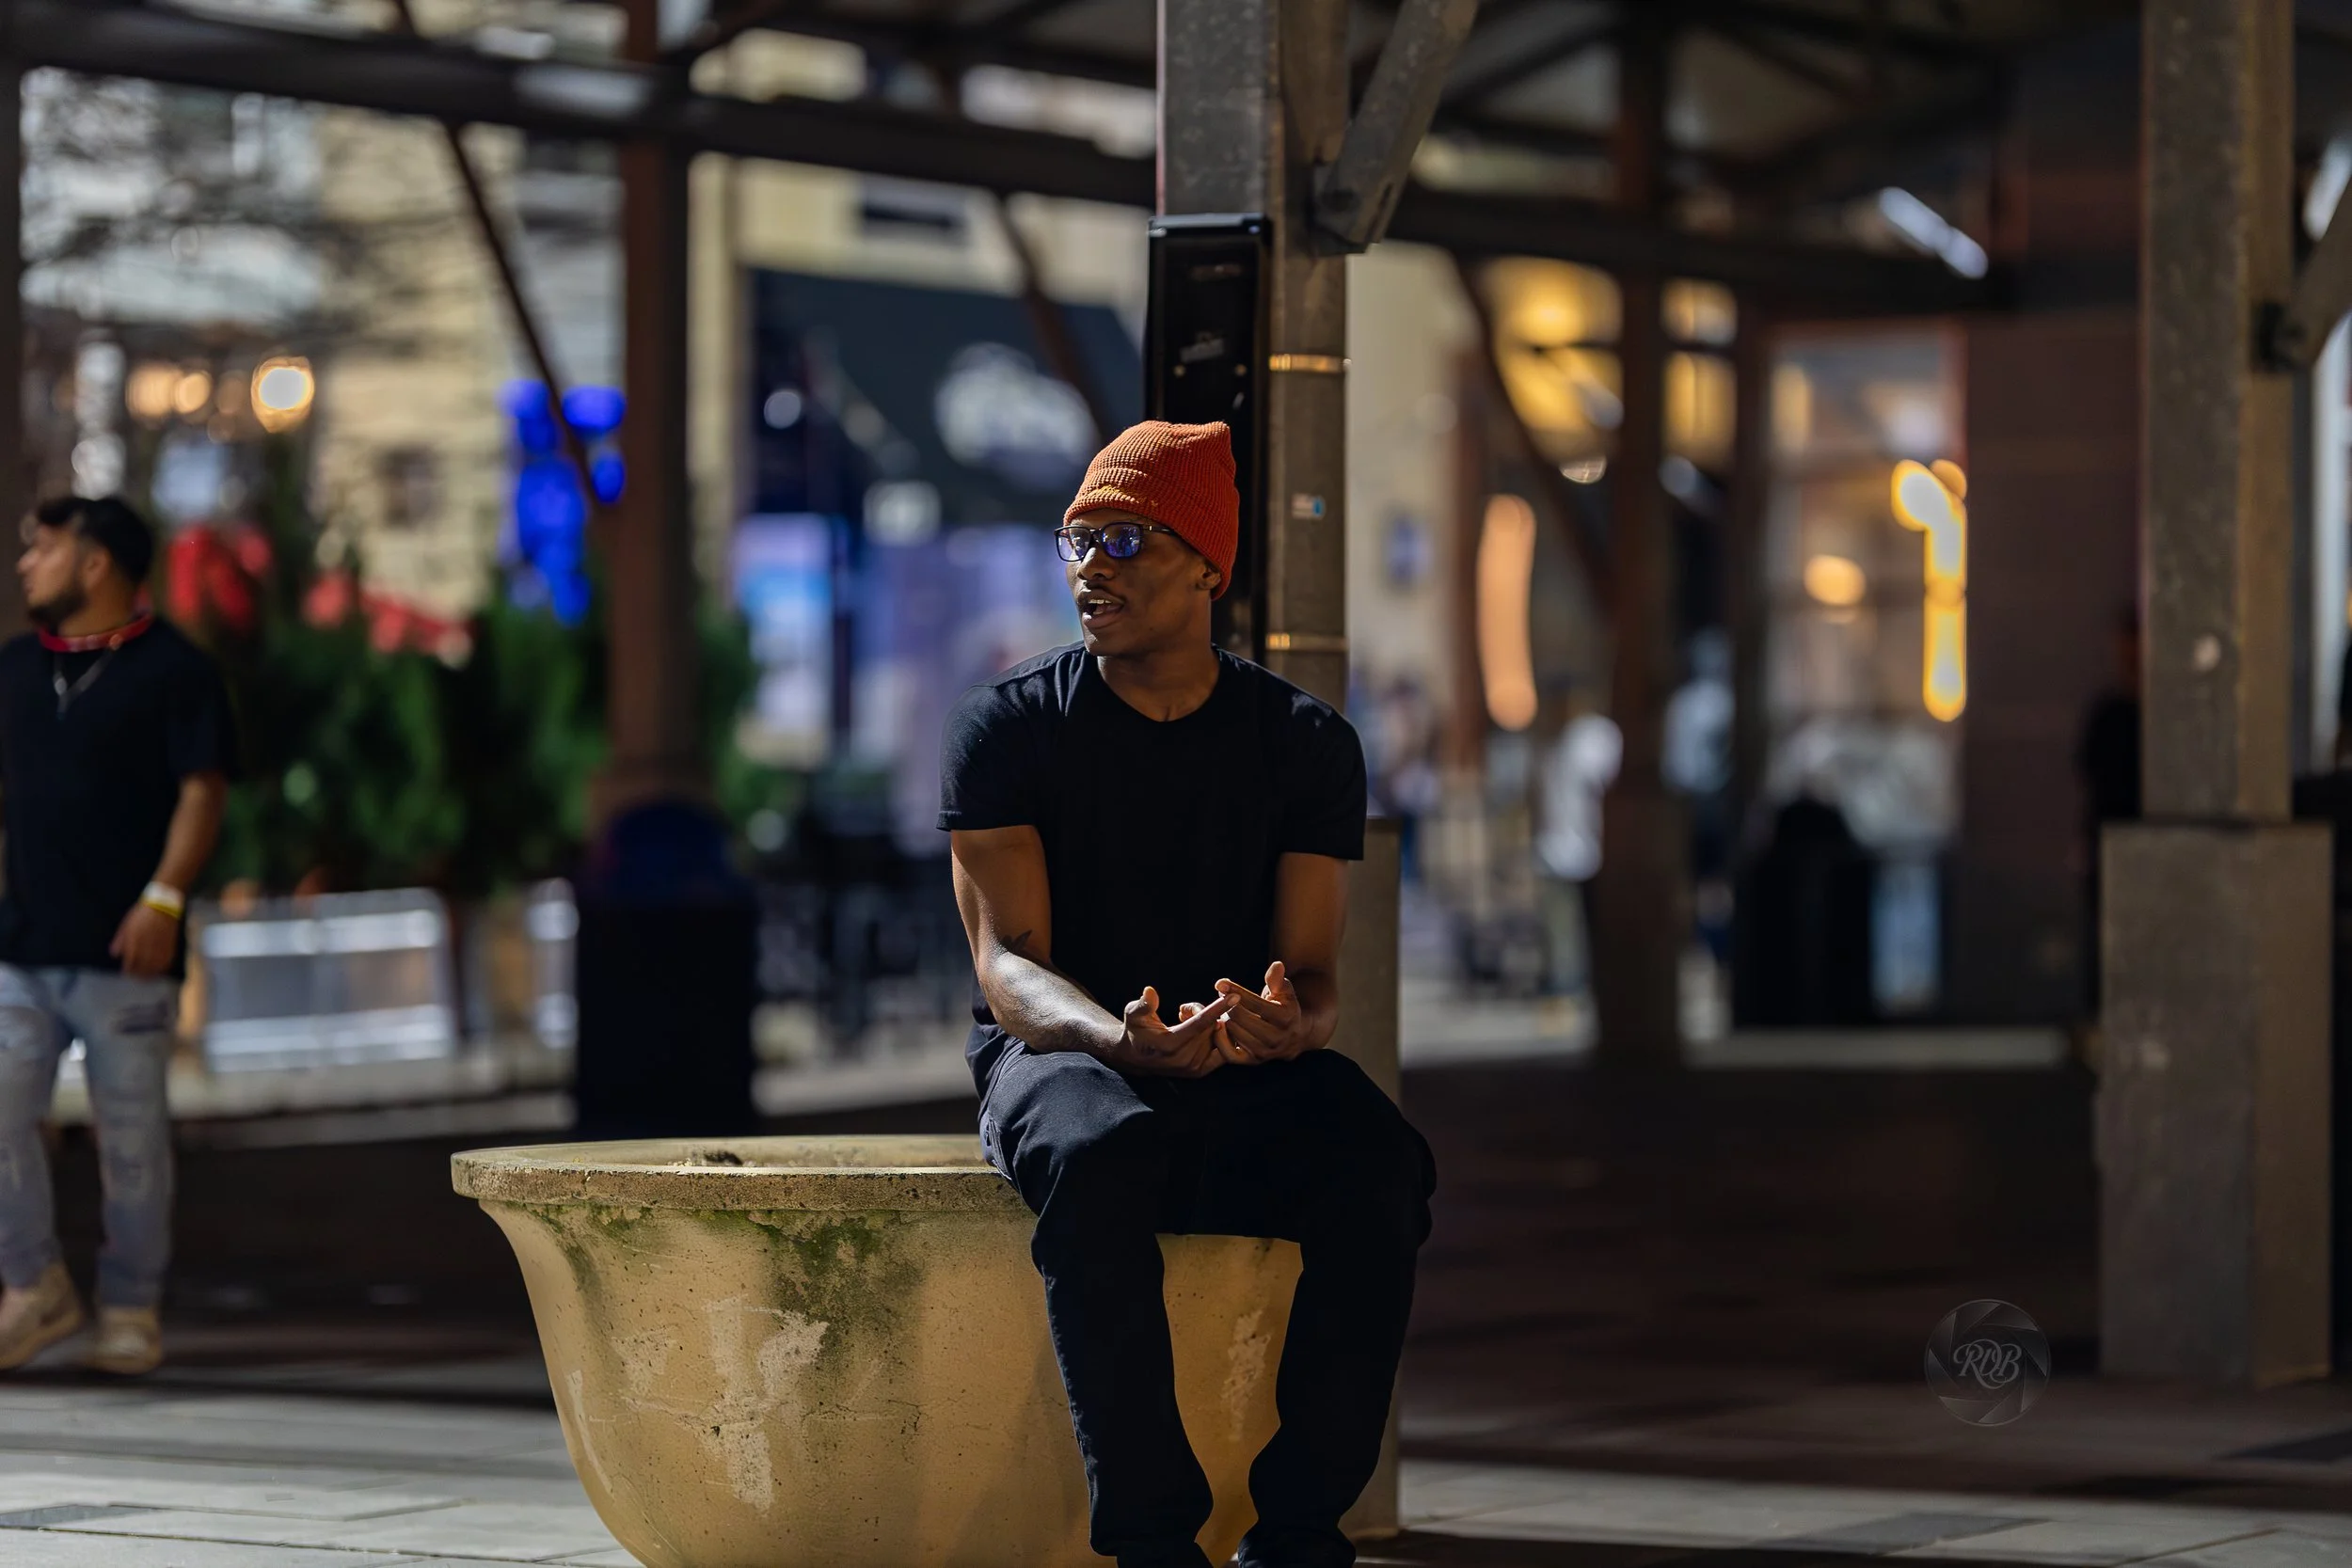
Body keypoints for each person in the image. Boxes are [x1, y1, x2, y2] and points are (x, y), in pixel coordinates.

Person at [941, 420, 1434, 1568]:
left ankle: (1301, 1530)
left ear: (1209, 564)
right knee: (1098, 1147)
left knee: (1380, 1163)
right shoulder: (1007, 727)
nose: (1088, 566)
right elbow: (1006, 969)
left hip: (1233, 1065)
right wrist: (1118, 1038)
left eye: (1122, 538)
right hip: (1057, 1057)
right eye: (1073, 540)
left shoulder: (1305, 742)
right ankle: (1154, 1540)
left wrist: (1283, 1022)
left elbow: (1313, 980)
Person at [0, 496, 235, 1376]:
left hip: (128, 958)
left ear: (94, 564)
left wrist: (165, 897)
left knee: (130, 1142)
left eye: (45, 549)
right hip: (21, 947)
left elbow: (203, 792)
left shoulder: (176, 671)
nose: (29, 565)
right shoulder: (17, 669)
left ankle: (131, 1305)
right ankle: (33, 1285)